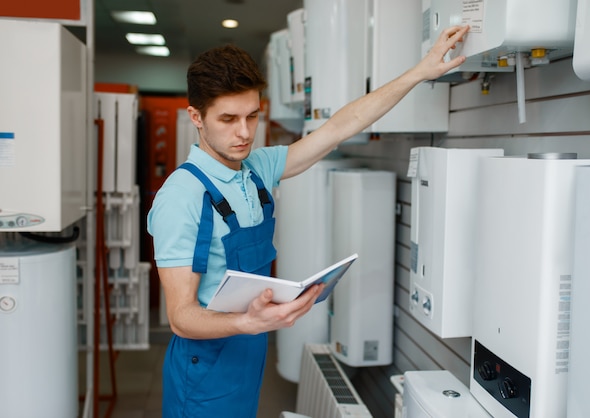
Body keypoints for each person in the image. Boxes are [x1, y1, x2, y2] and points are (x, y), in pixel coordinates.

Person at [147, 24, 470, 418]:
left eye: (252, 115)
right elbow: (180, 317)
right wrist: (248, 321)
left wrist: (420, 72)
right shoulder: (181, 197)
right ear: (196, 117)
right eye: (228, 119)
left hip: (248, 356)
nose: (245, 132)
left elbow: (339, 127)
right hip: (202, 374)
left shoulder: (257, 169)